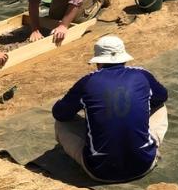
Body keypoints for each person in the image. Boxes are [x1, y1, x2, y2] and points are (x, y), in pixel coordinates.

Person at [52, 35, 168, 182]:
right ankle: (144, 145)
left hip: (99, 172)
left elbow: (60, 114)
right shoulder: (142, 75)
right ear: (124, 58)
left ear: (98, 62)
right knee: (160, 107)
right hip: (143, 165)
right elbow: (162, 96)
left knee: (61, 123)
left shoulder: (87, 82)